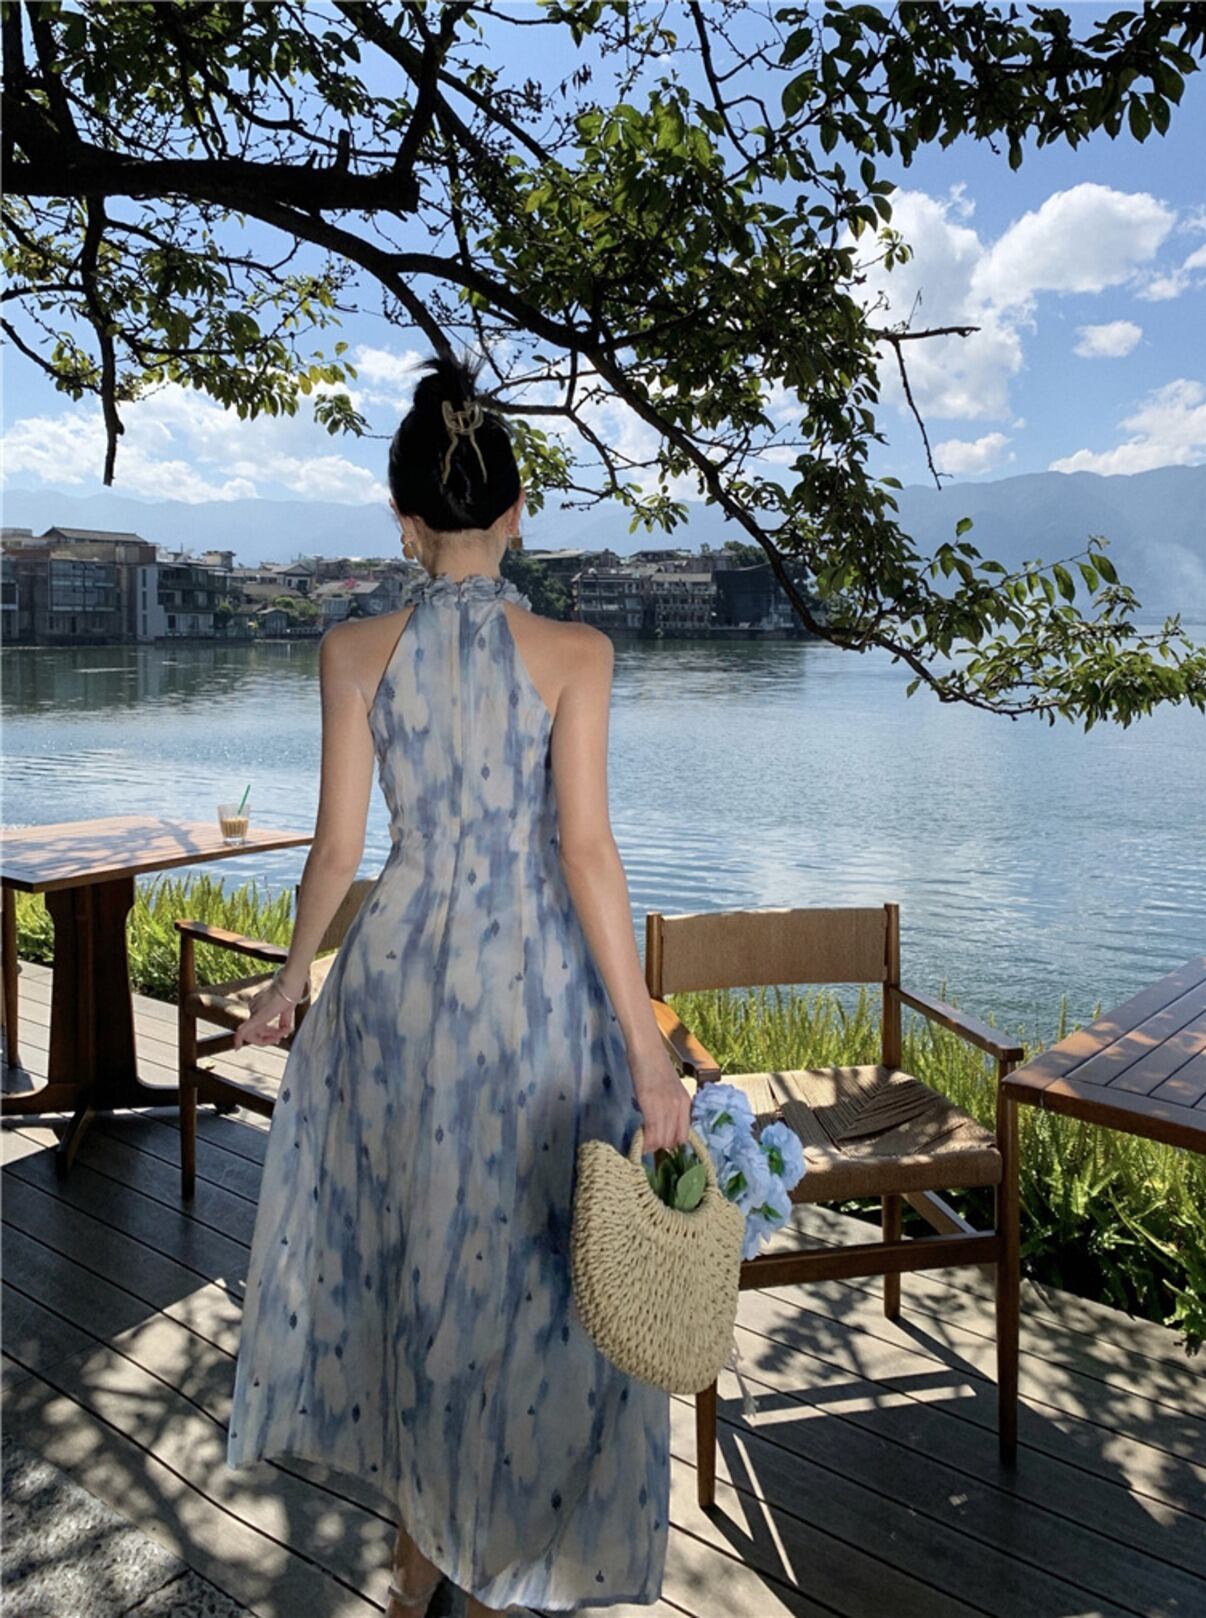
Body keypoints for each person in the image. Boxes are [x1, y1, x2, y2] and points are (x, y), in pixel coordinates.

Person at [222, 350, 692, 1617]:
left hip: (399, 990)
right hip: (534, 991)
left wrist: (288, 982)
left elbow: (336, 851)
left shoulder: (352, 649)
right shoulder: (576, 652)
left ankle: (416, 1557)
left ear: (405, 522)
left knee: (413, 1264)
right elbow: (585, 854)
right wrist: (648, 1050)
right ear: (518, 513)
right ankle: (491, 1569)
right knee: (533, 1283)